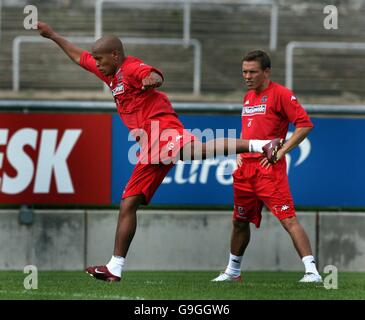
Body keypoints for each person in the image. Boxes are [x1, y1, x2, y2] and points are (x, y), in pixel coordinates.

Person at [37, 22, 283, 282]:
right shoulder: (108, 74)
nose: (96, 64)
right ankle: (115, 267)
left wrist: (150, 81)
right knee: (129, 202)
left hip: (162, 130)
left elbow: (153, 75)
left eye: (100, 59)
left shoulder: (130, 67)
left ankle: (258, 145)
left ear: (115, 56)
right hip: (150, 145)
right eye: (96, 60)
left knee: (195, 151)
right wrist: (52, 35)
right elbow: (79, 56)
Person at [212, 50, 322, 283]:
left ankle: (312, 271)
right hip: (245, 170)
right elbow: (247, 131)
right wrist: (239, 153)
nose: (247, 76)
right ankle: (233, 271)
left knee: (288, 219)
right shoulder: (248, 97)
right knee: (239, 221)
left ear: (266, 72)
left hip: (268, 170)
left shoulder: (281, 94)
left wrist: (281, 151)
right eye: (244, 71)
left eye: (252, 71)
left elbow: (304, 125)